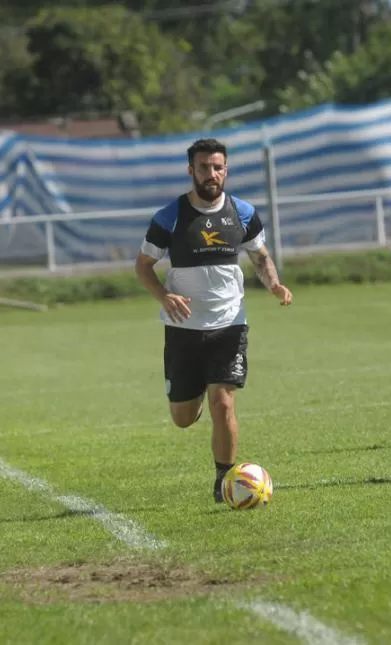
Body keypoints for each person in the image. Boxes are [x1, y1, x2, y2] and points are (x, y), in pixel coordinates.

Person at [135, 138, 293, 503]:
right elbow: (143, 266)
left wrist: (275, 285)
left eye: (218, 167)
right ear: (191, 170)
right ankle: (195, 397)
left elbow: (260, 256)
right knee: (182, 417)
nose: (212, 174)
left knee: (224, 400)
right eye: (204, 167)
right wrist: (163, 295)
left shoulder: (244, 213)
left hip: (229, 324)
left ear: (227, 169)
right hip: (183, 328)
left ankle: (225, 480)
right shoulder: (169, 217)